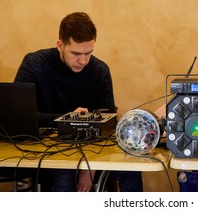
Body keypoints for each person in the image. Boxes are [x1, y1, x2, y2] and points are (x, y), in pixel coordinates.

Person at [14, 12, 143, 192]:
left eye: (88, 53)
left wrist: (89, 169)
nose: (83, 61)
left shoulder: (99, 70)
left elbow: (107, 126)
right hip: (47, 152)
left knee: (132, 169)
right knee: (64, 171)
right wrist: (67, 119)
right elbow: (18, 117)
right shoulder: (35, 64)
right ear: (60, 45)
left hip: (93, 152)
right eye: (75, 53)